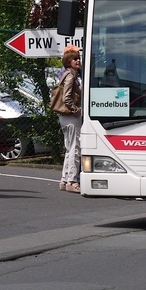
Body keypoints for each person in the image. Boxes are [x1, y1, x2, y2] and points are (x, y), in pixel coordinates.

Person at [57, 45, 83, 193]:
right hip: (71, 117)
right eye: (74, 59)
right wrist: (76, 110)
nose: (78, 61)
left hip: (65, 117)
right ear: (68, 60)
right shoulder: (71, 75)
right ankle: (72, 181)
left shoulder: (66, 74)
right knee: (75, 148)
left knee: (69, 147)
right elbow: (67, 97)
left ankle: (65, 179)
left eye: (78, 58)